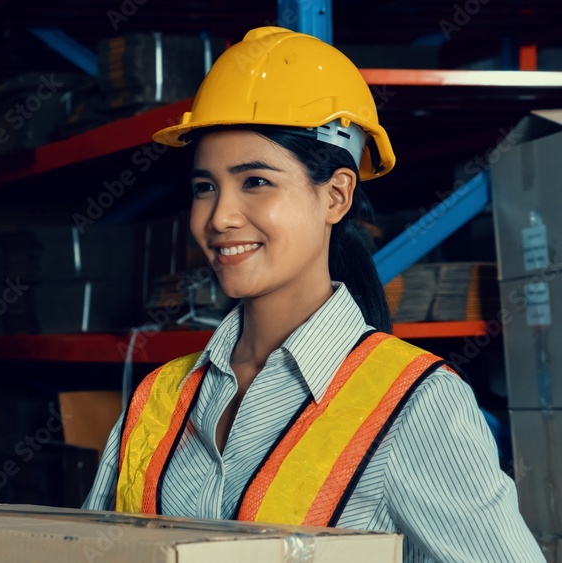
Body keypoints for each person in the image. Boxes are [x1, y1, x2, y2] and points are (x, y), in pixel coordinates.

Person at [82, 27, 542, 561]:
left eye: (255, 181)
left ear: (336, 196)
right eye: (205, 187)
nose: (220, 217)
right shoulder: (159, 398)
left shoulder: (416, 406)